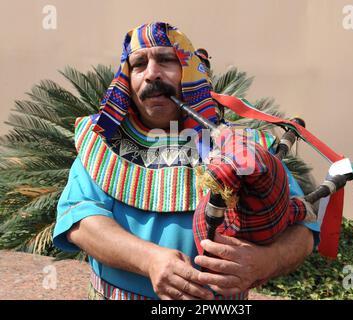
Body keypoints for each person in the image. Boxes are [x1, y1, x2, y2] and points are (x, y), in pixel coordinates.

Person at [52, 22, 320, 300]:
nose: (152, 74)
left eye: (167, 60)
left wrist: (266, 261)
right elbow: (80, 220)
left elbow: (303, 225)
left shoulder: (242, 149)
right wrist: (149, 260)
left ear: (190, 71)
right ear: (128, 81)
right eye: (139, 64)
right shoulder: (101, 141)